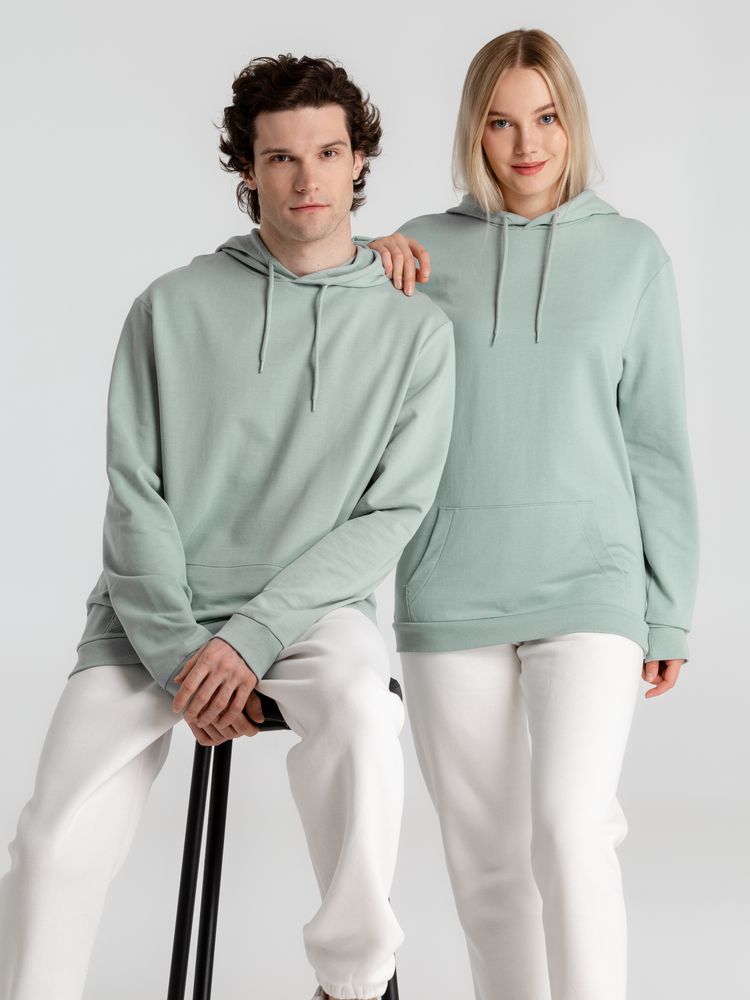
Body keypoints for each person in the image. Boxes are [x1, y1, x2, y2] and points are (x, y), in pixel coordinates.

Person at [0, 54, 455, 1000]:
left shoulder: (415, 330)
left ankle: (352, 981)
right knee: (49, 841)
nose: (306, 179)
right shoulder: (169, 306)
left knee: (365, 711)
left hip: (310, 613)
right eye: (280, 157)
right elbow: (134, 493)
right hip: (151, 614)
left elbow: (392, 513)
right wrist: (181, 654)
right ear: (248, 169)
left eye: (326, 152)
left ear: (358, 159)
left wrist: (252, 636)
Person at [356, 27, 700, 1000]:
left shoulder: (633, 256)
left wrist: (669, 605)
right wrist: (356, 267)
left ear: (571, 120)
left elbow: (657, 439)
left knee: (569, 829)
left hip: (591, 582)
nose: (526, 145)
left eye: (545, 117)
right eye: (501, 123)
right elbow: (343, 375)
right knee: (487, 871)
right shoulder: (418, 251)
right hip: (450, 588)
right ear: (475, 131)